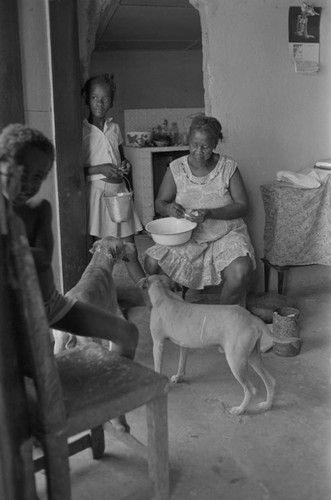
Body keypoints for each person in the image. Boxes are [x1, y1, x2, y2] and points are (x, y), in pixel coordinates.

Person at [0, 123, 138, 362]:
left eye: (38, 177)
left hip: (52, 305)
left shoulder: (39, 211)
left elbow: (41, 258)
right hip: (11, 312)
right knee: (23, 372)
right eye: (22, 173)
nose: (30, 185)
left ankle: (112, 383)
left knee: (127, 332)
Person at [144, 115, 256, 305]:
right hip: (188, 237)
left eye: (205, 146)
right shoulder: (177, 168)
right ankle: (176, 311)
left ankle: (224, 317)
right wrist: (170, 208)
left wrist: (210, 213)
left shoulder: (228, 167)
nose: (198, 151)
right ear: (189, 140)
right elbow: (160, 202)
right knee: (152, 262)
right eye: (194, 144)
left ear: (215, 144)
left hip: (225, 236)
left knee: (240, 270)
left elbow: (243, 206)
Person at [81, 73, 145, 285]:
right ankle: (102, 298)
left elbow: (122, 158)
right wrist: (100, 168)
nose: (99, 103)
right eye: (94, 97)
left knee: (130, 250)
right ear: (86, 99)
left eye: (105, 98)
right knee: (102, 256)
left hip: (119, 195)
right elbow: (74, 171)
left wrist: (125, 166)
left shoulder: (114, 128)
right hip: (98, 196)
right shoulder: (80, 131)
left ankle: (150, 297)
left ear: (112, 102)